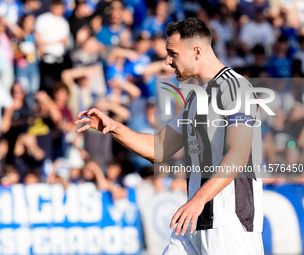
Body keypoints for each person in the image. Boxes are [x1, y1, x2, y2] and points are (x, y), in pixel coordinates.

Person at [75, 17, 264, 254]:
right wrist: (114, 127)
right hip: (194, 220)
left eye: (172, 53)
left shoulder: (235, 88)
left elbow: (238, 154)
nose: (167, 61)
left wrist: (197, 200)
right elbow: (159, 148)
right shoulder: (195, 98)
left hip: (229, 223)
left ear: (196, 51)